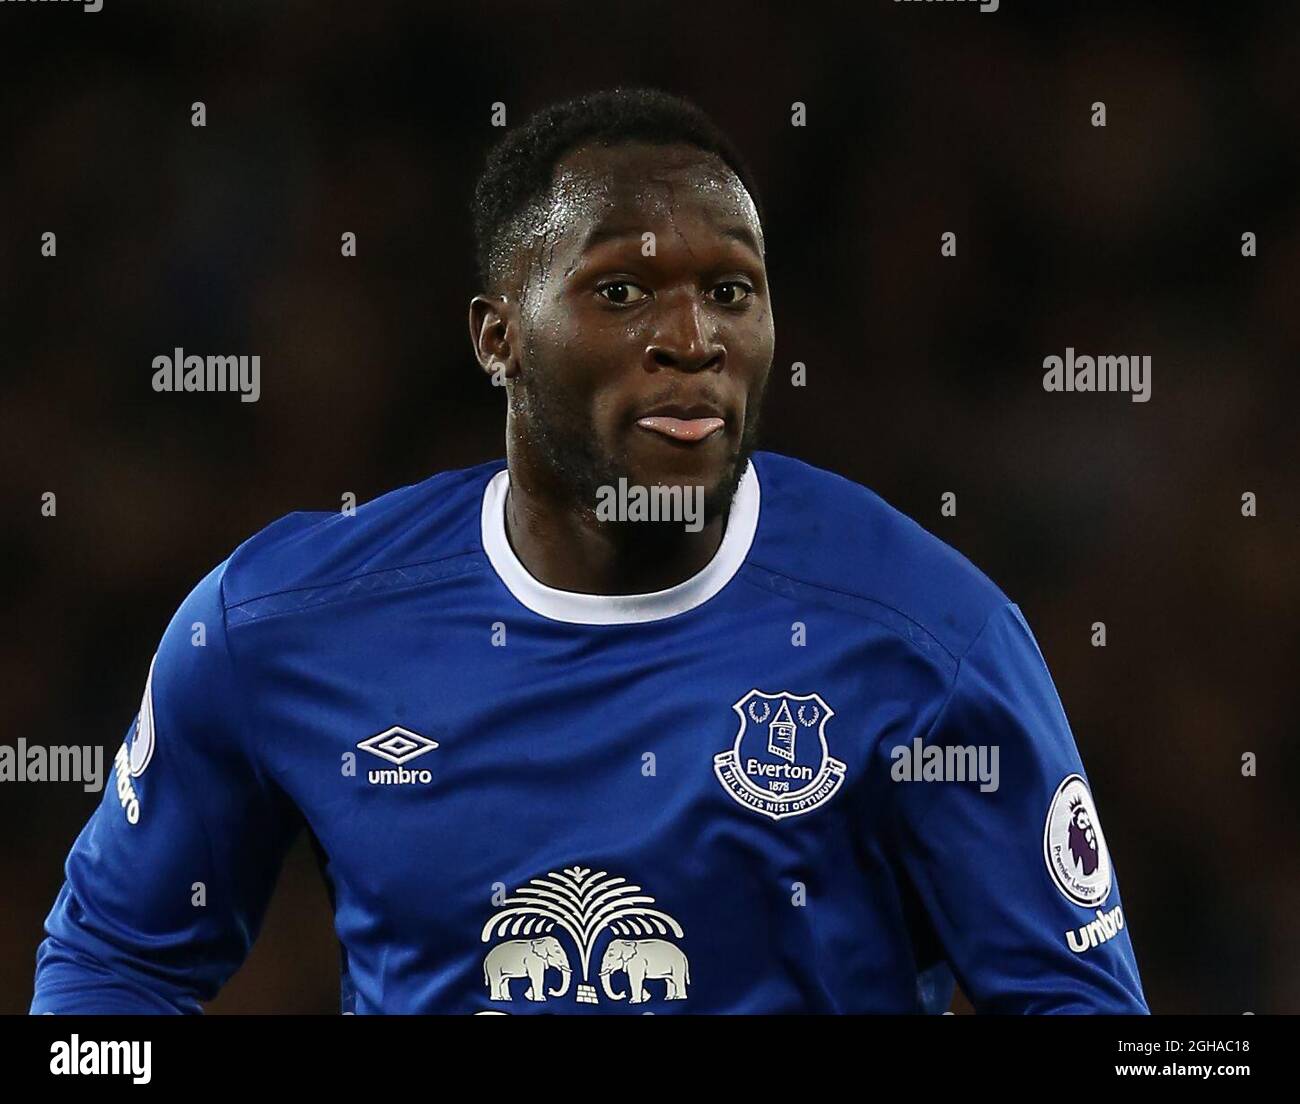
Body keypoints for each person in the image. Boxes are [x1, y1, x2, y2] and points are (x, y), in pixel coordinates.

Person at [31, 87, 1147, 1014]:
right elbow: (113, 962)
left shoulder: (930, 641)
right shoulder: (277, 626)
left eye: (730, 291)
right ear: (498, 337)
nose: (690, 340)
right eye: (622, 291)